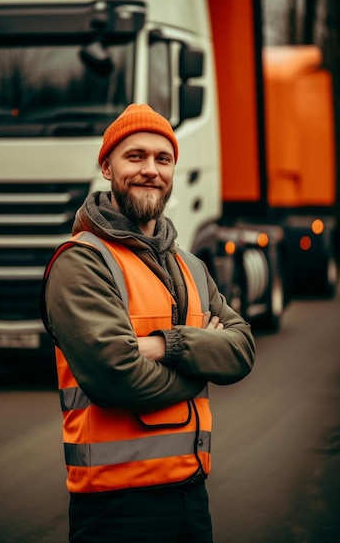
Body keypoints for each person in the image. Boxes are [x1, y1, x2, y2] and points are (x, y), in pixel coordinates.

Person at [40, 103, 255, 543]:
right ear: (106, 167)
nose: (150, 170)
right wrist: (200, 366)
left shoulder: (191, 265)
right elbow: (114, 377)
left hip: (192, 500)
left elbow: (242, 350)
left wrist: (166, 345)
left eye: (163, 158)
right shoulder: (81, 261)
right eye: (134, 156)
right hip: (116, 511)